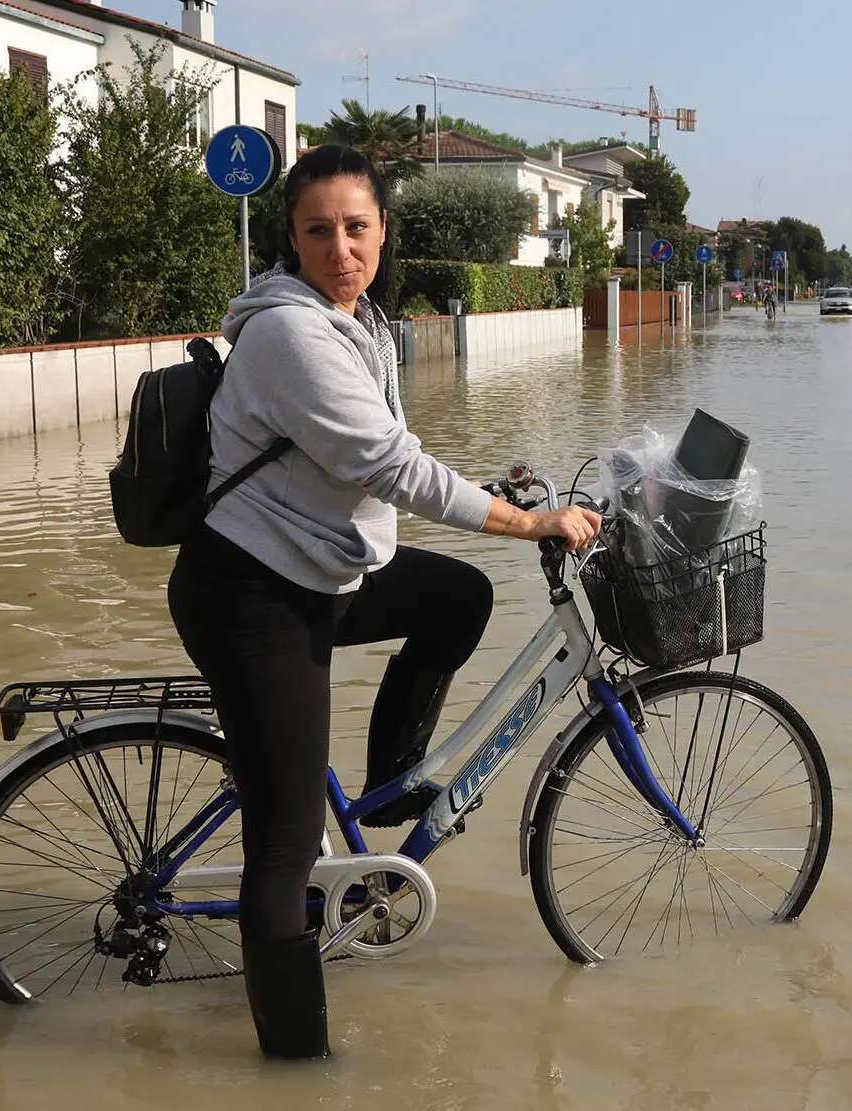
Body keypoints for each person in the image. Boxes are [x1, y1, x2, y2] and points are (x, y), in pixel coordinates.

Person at [167, 145, 600, 1060]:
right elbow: (389, 466)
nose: (341, 249)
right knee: (283, 849)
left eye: (356, 228)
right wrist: (528, 521)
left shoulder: (358, 320)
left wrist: (493, 492)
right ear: (291, 238)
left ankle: (388, 797)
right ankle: (296, 1061)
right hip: (253, 590)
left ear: (381, 232)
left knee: (456, 596)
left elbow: (386, 448)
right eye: (319, 231)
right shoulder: (292, 333)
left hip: (317, 565)